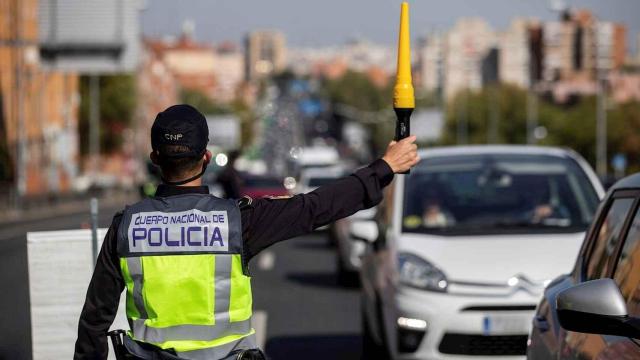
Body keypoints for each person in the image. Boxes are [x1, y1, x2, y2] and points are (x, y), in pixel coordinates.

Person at [74, 104, 419, 360]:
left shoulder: (127, 226)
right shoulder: (237, 222)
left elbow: (95, 319)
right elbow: (317, 207)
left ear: (155, 158)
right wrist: (384, 167)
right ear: (206, 157)